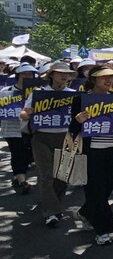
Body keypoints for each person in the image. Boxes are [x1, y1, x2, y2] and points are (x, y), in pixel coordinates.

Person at [69, 65, 113, 245]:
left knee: (107, 188)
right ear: (93, 79)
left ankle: (85, 212)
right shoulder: (81, 99)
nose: (109, 81)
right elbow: (72, 130)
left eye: (111, 77)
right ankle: (103, 230)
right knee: (95, 190)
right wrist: (78, 121)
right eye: (104, 78)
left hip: (112, 150)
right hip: (90, 152)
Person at [19, 61, 77, 227]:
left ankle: (54, 204)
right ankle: (51, 212)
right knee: (46, 176)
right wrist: (25, 114)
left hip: (65, 138)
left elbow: (78, 117)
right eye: (60, 73)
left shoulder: (73, 94)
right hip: (41, 138)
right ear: (51, 75)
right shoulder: (38, 93)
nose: (64, 76)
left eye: (66, 73)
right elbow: (24, 112)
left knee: (62, 176)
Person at [2, 64, 37, 195]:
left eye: (30, 74)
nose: (27, 76)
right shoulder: (6, 91)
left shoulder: (37, 92)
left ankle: (18, 176)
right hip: (11, 129)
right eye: (24, 74)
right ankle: (22, 181)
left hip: (30, 129)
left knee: (30, 155)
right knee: (18, 153)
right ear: (18, 75)